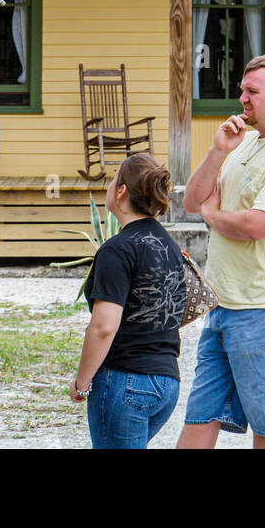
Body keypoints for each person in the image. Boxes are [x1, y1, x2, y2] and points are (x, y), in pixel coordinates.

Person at [177, 53, 265, 450]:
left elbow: (257, 225)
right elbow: (192, 201)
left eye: (251, 91)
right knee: (200, 415)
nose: (241, 98)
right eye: (241, 89)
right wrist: (219, 150)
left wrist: (214, 213)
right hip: (223, 303)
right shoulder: (243, 141)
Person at [70, 153, 186, 449]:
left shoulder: (116, 250)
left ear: (121, 191)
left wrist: (82, 383)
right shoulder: (170, 246)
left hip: (126, 382)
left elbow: (103, 327)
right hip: (166, 382)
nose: (109, 186)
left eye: (112, 180)